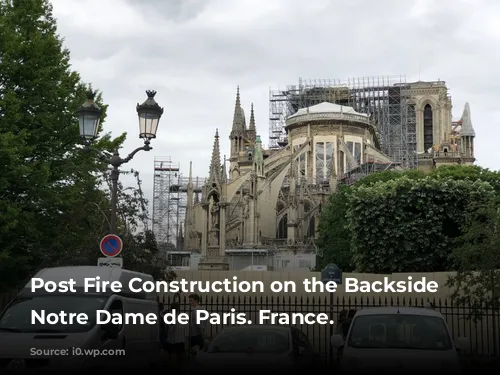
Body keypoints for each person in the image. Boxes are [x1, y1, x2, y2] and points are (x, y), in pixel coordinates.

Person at [165, 302, 185, 367]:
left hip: (173, 341)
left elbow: (170, 328)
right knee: (180, 358)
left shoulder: (171, 317)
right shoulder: (181, 316)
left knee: (172, 358)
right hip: (181, 340)